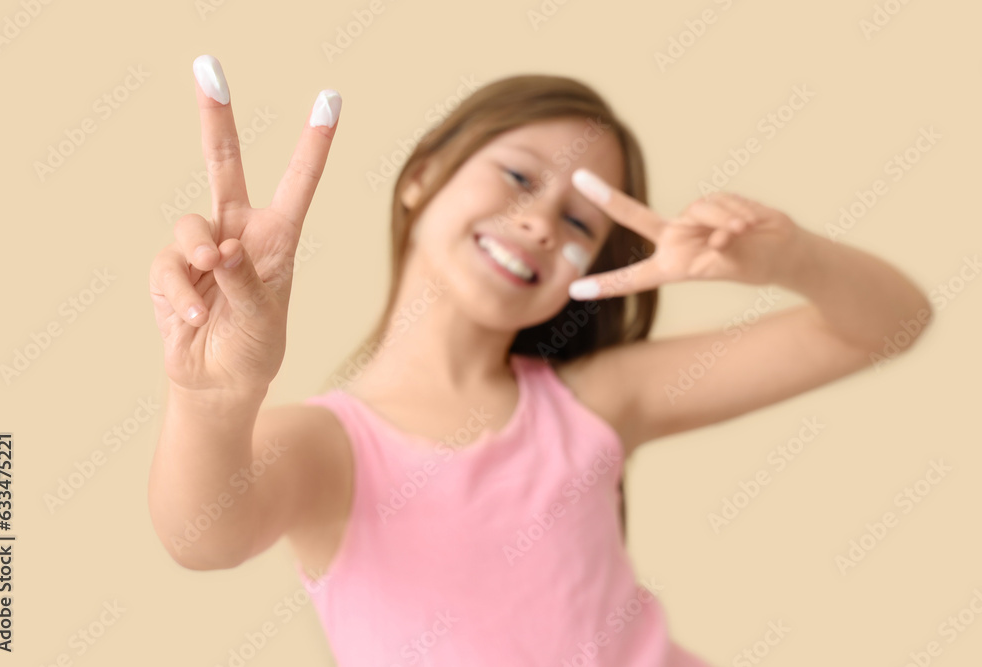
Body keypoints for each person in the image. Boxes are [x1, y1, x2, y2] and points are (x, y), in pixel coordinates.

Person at [147, 54, 933, 666]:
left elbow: (888, 324)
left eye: (580, 223)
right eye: (518, 177)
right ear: (423, 177)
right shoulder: (330, 450)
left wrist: (789, 258)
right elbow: (202, 537)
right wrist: (215, 393)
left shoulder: (594, 400)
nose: (538, 223)